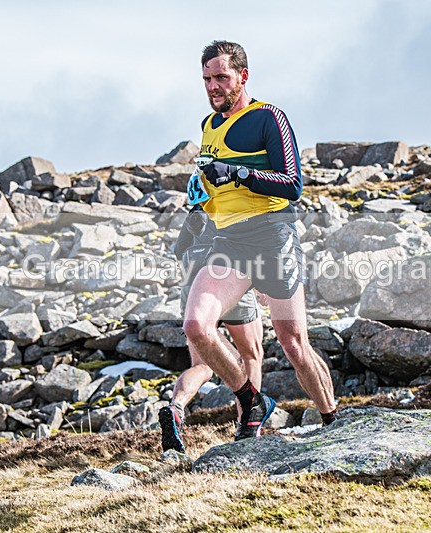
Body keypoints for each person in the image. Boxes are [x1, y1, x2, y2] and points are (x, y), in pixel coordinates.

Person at [183, 40, 337, 441]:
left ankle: (331, 419)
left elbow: (293, 184)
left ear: (242, 76)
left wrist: (237, 173)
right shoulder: (208, 126)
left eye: (221, 77)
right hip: (228, 241)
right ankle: (252, 400)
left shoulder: (269, 117)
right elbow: (214, 183)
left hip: (272, 237)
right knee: (197, 326)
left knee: (294, 344)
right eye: (206, 79)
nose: (213, 86)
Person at [159, 206, 264, 453]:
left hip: (194, 284)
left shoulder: (196, 211)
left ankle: (176, 406)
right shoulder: (233, 200)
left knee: (202, 366)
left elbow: (178, 251)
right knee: (251, 356)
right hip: (228, 276)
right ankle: (248, 428)